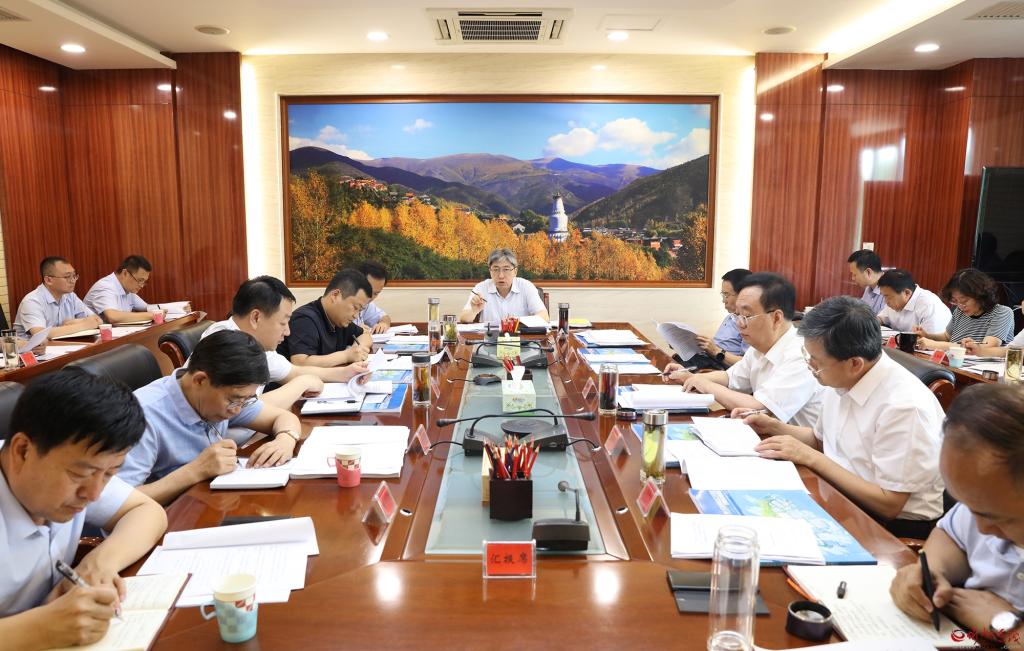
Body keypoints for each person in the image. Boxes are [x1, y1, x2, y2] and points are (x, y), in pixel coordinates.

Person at [744, 296, 945, 538]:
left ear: (855, 364)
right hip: (840, 495)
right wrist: (774, 426)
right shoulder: (842, 377)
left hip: (890, 527)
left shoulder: (904, 407)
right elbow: (820, 440)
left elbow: (889, 503)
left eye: (816, 362)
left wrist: (811, 458)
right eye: (807, 356)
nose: (810, 366)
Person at [0, 369, 167, 648]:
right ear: (22, 451)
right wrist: (41, 628)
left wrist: (99, 564)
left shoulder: (83, 463)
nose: (94, 494)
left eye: (110, 474)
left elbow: (147, 512)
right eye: (79, 475)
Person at [891, 384, 1024, 647]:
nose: (981, 528)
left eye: (998, 518)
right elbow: (951, 535)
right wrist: (930, 572)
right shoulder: (986, 496)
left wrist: (1008, 626)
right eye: (966, 505)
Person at [119, 330, 303, 506]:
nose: (237, 410)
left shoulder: (223, 396)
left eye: (245, 400)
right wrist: (195, 471)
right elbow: (118, 503)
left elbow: (282, 417)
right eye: (233, 401)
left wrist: (286, 439)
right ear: (200, 380)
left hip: (209, 501)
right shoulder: (143, 416)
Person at [662, 272, 823, 428]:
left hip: (794, 444)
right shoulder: (759, 347)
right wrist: (690, 377)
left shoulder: (801, 355)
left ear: (776, 318)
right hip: (768, 437)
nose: (739, 324)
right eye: (737, 315)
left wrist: (705, 384)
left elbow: (760, 408)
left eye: (746, 316)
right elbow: (730, 377)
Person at [200, 276, 368, 409]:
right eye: (283, 323)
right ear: (256, 318)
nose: (287, 332)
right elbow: (240, 410)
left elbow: (293, 372)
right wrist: (302, 384)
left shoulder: (257, 346)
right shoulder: (224, 341)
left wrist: (346, 373)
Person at [278, 269, 373, 367]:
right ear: (335, 295)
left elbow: (365, 335)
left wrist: (358, 348)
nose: (356, 315)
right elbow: (300, 363)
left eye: (360, 310)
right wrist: (346, 356)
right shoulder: (305, 319)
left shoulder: (339, 320)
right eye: (355, 307)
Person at [915, 268, 1014, 352]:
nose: (960, 306)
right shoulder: (959, 311)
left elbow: (986, 348)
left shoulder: (1002, 312)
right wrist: (927, 336)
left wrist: (935, 345)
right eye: (955, 301)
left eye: (964, 300)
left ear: (980, 295)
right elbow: (947, 337)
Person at [13, 256, 101, 339]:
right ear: (48, 280)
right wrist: (83, 325)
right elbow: (40, 334)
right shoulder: (32, 301)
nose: (73, 281)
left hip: (64, 346)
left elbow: (97, 320)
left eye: (74, 276)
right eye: (67, 277)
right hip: (34, 349)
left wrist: (71, 323)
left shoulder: (70, 296)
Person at [459, 248, 549, 323]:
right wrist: (473, 311)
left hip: (520, 338)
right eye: (496, 269)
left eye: (506, 269)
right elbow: (463, 318)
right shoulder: (481, 288)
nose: (501, 275)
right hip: (491, 338)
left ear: (515, 271)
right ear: (490, 271)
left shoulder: (526, 287)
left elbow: (544, 317)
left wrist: (516, 321)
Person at [691, 268, 752, 368]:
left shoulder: (751, 323)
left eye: (726, 295)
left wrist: (716, 351)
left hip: (721, 368)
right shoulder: (730, 317)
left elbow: (748, 365)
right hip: (708, 359)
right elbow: (718, 346)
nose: (723, 301)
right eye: (723, 295)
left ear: (742, 295)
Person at [876, 269, 951, 334]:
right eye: (884, 296)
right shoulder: (895, 301)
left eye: (887, 296)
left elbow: (929, 341)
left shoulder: (928, 305)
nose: (885, 302)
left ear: (907, 293)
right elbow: (881, 318)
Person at [354, 260, 393, 335]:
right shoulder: (341, 303)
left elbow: (385, 317)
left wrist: (383, 324)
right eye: (368, 290)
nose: (370, 297)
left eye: (376, 293)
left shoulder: (367, 304)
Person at [848, 249, 886, 314]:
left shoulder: (890, 290)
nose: (853, 278)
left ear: (868, 272)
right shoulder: (869, 287)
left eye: (854, 274)